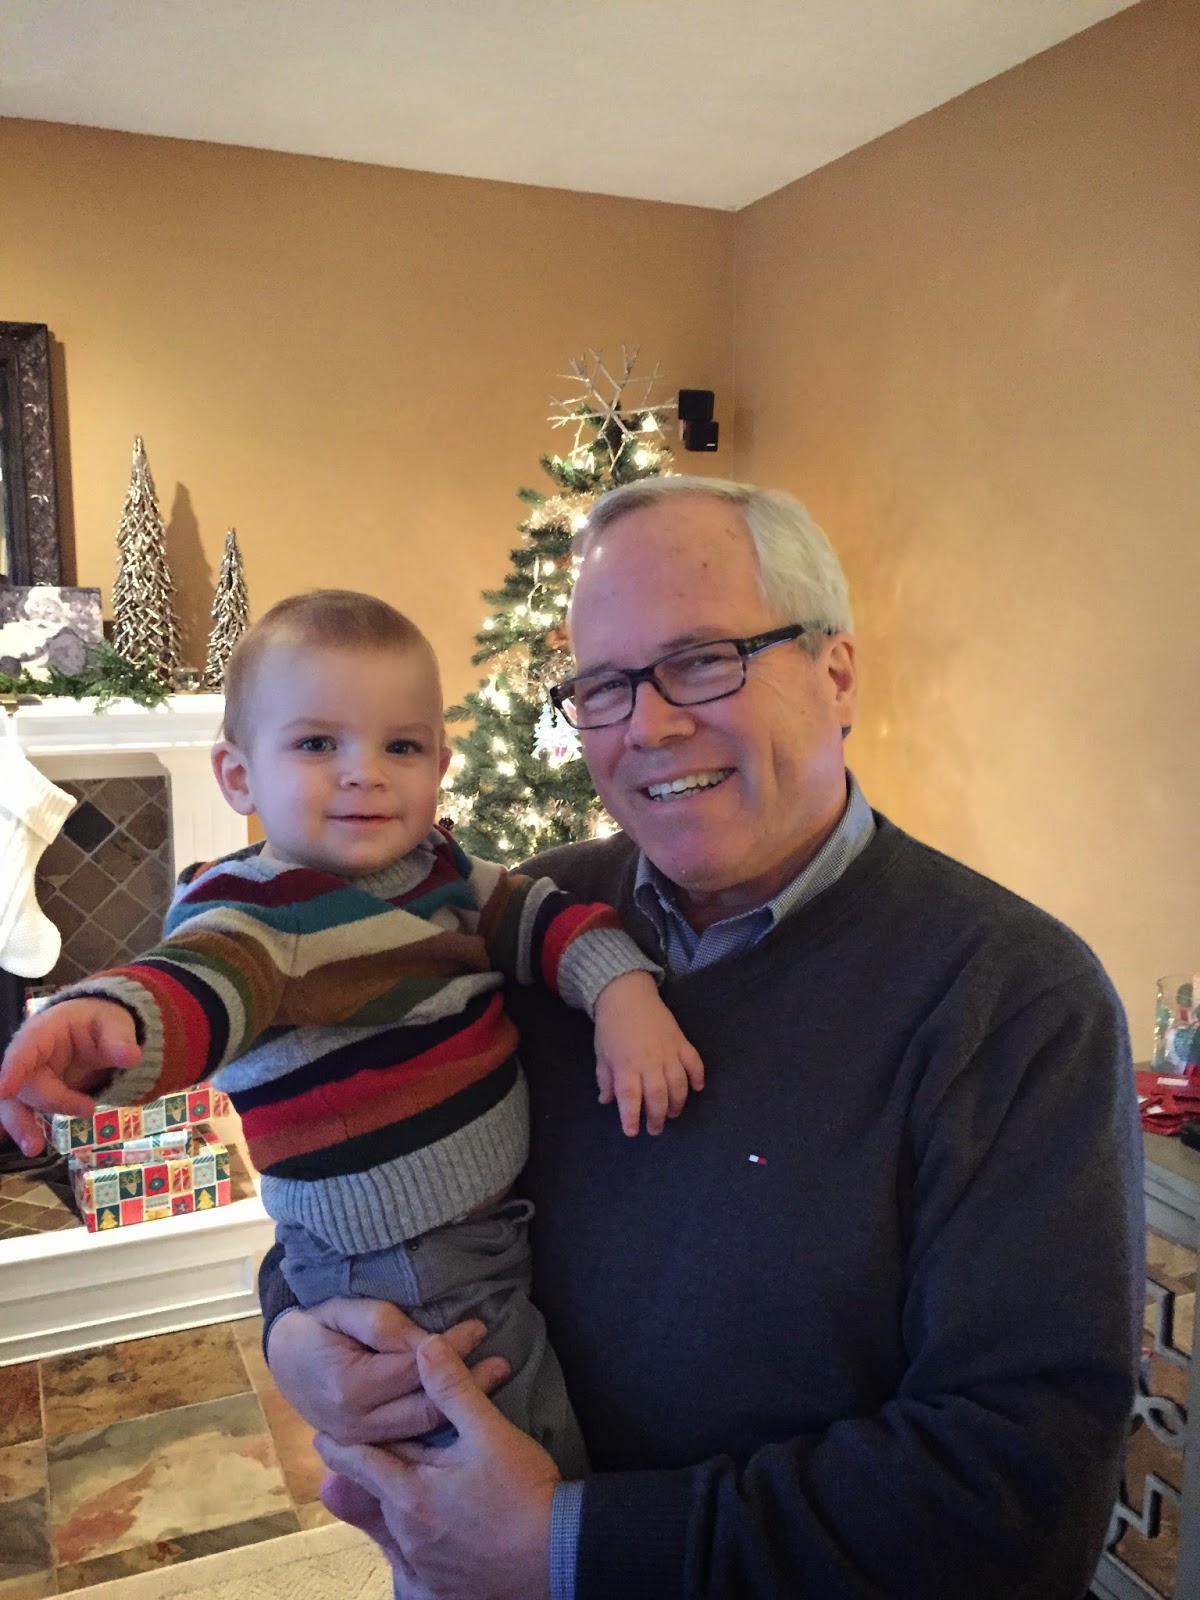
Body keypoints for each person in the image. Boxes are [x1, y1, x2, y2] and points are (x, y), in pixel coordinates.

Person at [259, 480, 1143, 1600]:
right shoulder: (524, 930)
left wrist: (566, 1547)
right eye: (604, 685)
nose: (650, 725)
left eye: (705, 659)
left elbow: (1018, 1491)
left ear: (837, 674)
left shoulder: (1014, 1000)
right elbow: (355, 1170)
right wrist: (294, 1337)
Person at [0, 590, 706, 1482]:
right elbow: (200, 981)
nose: (364, 773)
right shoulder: (258, 910)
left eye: (399, 747)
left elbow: (549, 919)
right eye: (317, 744)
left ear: (440, 764)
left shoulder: (441, 873)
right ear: (238, 776)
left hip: (469, 1232)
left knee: (477, 1456)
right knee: (518, 1456)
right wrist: (111, 1022)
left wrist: (622, 992)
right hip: (403, 1261)